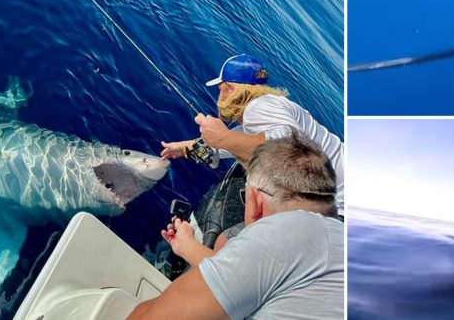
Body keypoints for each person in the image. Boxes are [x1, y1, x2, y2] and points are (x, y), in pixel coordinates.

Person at [127, 133, 344, 319]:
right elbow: (254, 275)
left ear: (255, 200)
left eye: (244, 195)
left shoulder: (278, 237)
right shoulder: (338, 241)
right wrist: (186, 246)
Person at [160, 54, 344, 217]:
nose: (219, 95)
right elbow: (241, 142)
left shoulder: (258, 107)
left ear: (230, 88)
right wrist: (184, 147)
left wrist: (223, 137)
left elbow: (289, 145)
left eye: (220, 88)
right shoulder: (269, 107)